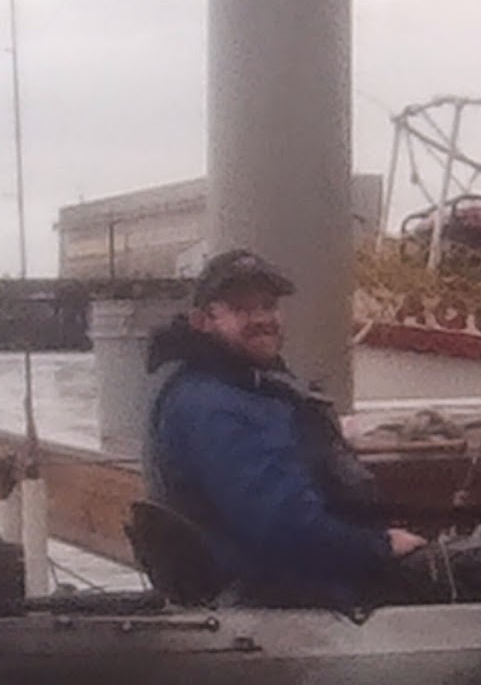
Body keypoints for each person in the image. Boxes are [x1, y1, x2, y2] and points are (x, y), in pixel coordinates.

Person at [142, 248, 425, 609]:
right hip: (268, 596)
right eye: (242, 308)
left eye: (268, 305)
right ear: (202, 321)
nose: (262, 318)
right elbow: (284, 527)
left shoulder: (243, 388)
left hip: (282, 578)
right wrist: (382, 546)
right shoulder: (213, 406)